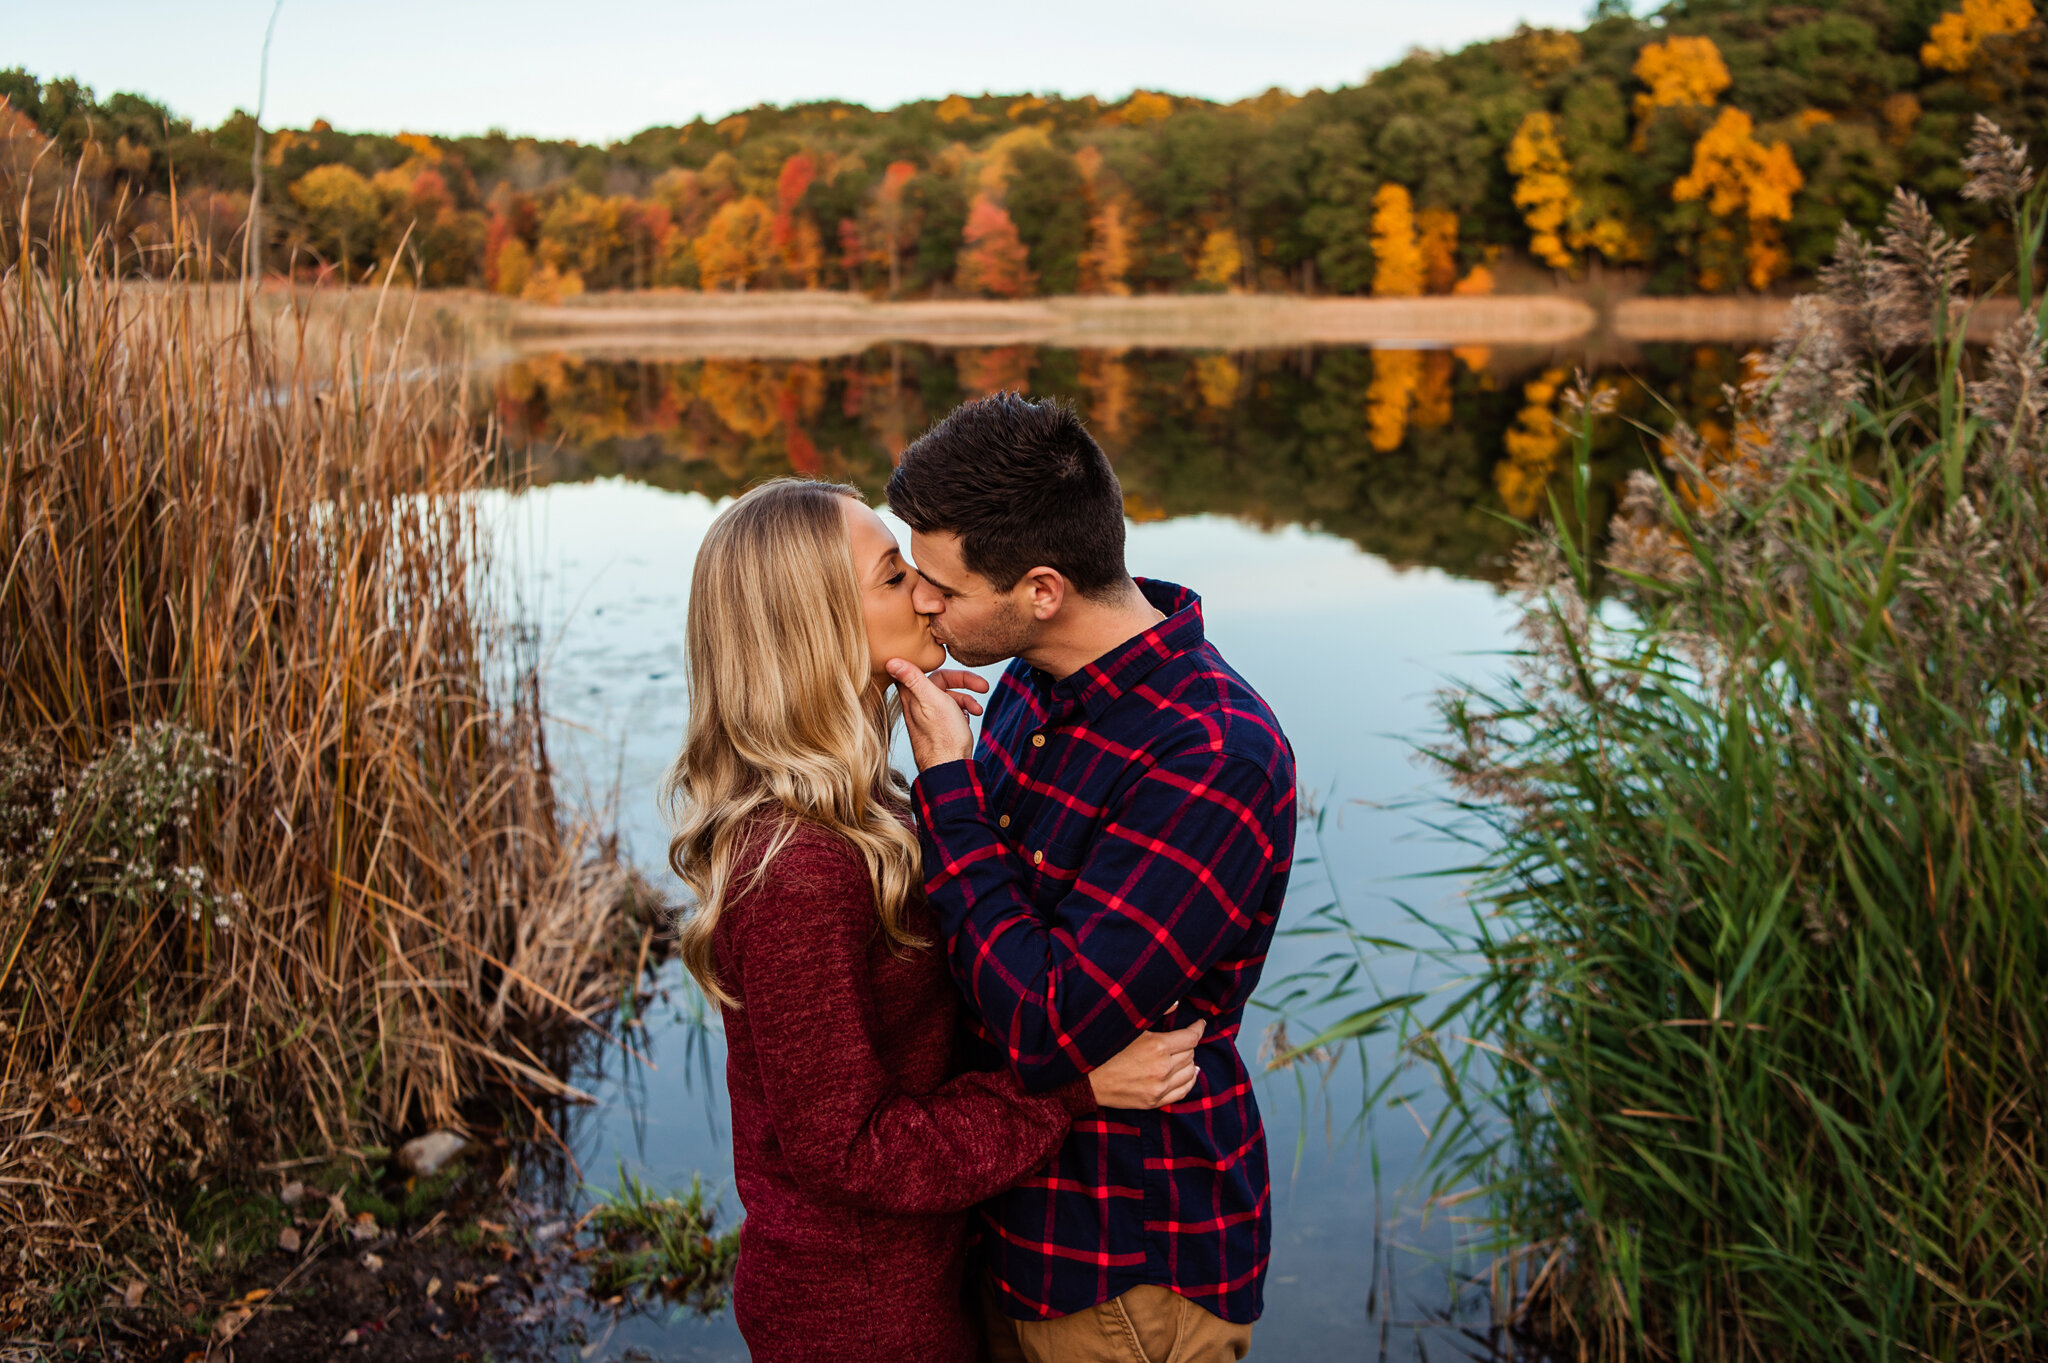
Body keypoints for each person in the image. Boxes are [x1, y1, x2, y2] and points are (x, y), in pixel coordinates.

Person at [662, 477, 1208, 1363]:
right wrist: (1073, 1089)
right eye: (891, 577)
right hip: (863, 1315)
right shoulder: (795, 869)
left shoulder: (861, 806)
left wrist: (954, 778)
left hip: (920, 1274)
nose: (925, 591)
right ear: (816, 628)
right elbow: (851, 1151)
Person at [884, 394, 1297, 1363]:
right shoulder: (1033, 679)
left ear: (1040, 588)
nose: (921, 602)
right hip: (1011, 1215)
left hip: (1126, 1264)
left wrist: (948, 787)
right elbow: (983, 934)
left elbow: (1047, 1023)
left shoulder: (1208, 756)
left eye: (940, 585)